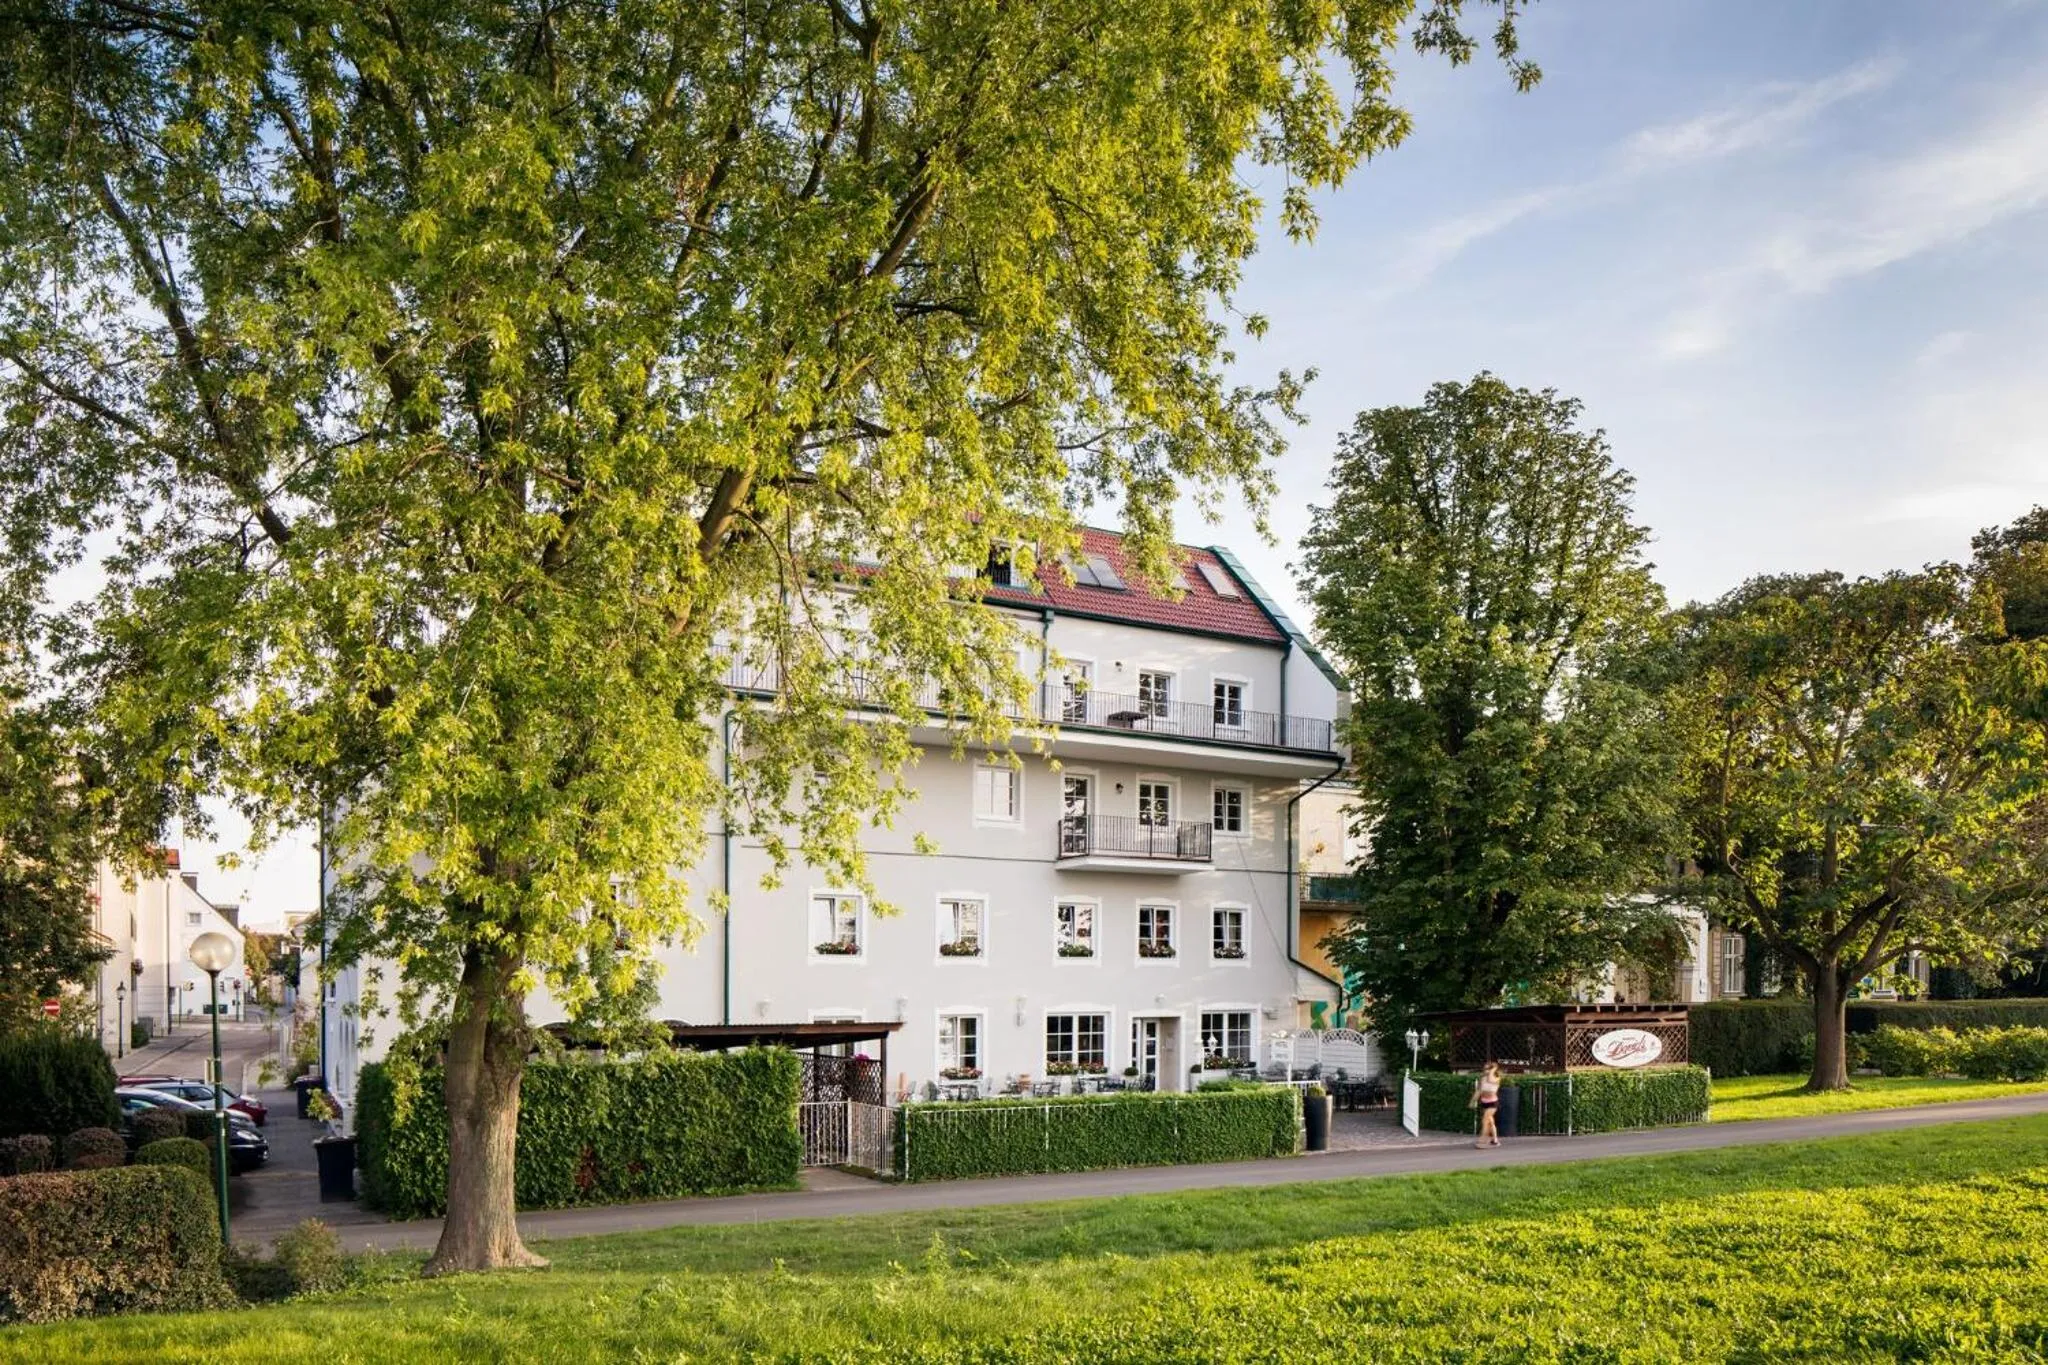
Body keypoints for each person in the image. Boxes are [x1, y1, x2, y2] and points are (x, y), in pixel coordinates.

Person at [1472, 1062, 1503, 1148]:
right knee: (1490, 1121)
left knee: (1485, 1120)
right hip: (1484, 1102)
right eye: (1485, 1069)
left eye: (1488, 1069)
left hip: (1493, 1102)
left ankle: (1483, 1140)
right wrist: (1473, 1101)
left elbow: (1490, 1080)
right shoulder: (1483, 1078)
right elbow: (1479, 1090)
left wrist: (1493, 1070)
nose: (1486, 1071)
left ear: (1493, 1070)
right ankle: (1495, 1140)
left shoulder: (1496, 1078)